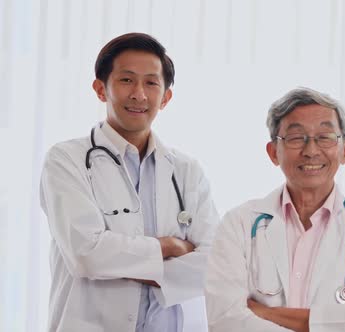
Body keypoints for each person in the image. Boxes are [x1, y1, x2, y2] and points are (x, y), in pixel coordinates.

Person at [40, 32, 219, 331]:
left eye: (151, 82)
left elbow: (215, 262)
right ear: (101, 89)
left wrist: (121, 260)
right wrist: (171, 245)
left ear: (166, 97)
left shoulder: (187, 170)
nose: (139, 94)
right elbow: (86, 254)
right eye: (126, 80)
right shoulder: (66, 159)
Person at [205, 87, 345, 331]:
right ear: (273, 152)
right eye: (296, 138)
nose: (311, 151)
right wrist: (341, 319)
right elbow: (225, 320)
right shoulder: (238, 224)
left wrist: (264, 313)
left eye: (325, 137)